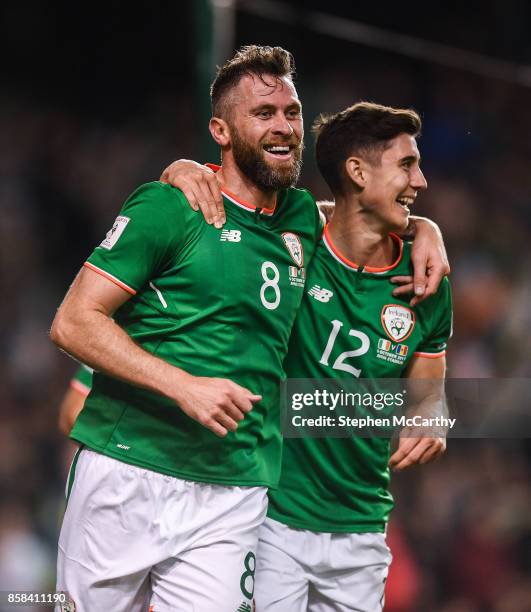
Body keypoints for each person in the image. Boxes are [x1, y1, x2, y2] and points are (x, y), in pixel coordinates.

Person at [50, 45, 322, 612]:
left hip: (235, 485)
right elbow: (73, 322)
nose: (283, 126)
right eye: (263, 113)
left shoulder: (303, 218)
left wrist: (426, 233)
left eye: (291, 113)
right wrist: (184, 385)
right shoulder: (170, 206)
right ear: (220, 131)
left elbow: (376, 222)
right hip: (128, 469)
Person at [164, 102, 451, 611]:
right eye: (407, 164)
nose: (421, 180)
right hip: (273, 517)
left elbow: (428, 380)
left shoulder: (425, 281)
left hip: (364, 529)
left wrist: (431, 411)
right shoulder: (295, 240)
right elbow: (231, 194)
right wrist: (182, 169)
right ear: (357, 172)